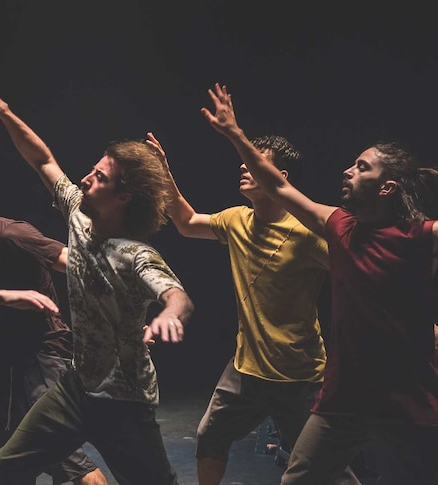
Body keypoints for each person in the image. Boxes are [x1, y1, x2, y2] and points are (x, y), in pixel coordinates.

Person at [202, 82, 438, 484]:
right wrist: (233, 133)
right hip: (345, 400)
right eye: (352, 163)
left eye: (362, 166)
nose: (348, 171)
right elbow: (278, 186)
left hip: (408, 399)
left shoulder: (420, 237)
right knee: (298, 479)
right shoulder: (338, 225)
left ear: (387, 187)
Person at [0, 74, 195, 485]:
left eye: (100, 177)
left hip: (124, 400)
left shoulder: (134, 254)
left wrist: (169, 315)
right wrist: (1, 109)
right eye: (93, 170)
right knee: (9, 463)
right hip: (76, 390)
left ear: (124, 197)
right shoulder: (79, 216)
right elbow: (42, 159)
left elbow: (177, 296)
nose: (86, 178)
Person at [146, 132, 359, 485]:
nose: (243, 165)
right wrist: (164, 171)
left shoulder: (306, 234)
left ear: (281, 177)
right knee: (209, 436)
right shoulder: (236, 220)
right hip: (245, 369)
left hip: (298, 376)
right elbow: (185, 223)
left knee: (327, 469)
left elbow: (358, 282)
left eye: (257, 161)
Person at [0, 171, 108, 485]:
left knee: (65, 456)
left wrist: (119, 315)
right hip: (11, 361)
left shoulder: (13, 234)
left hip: (44, 354)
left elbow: (72, 262)